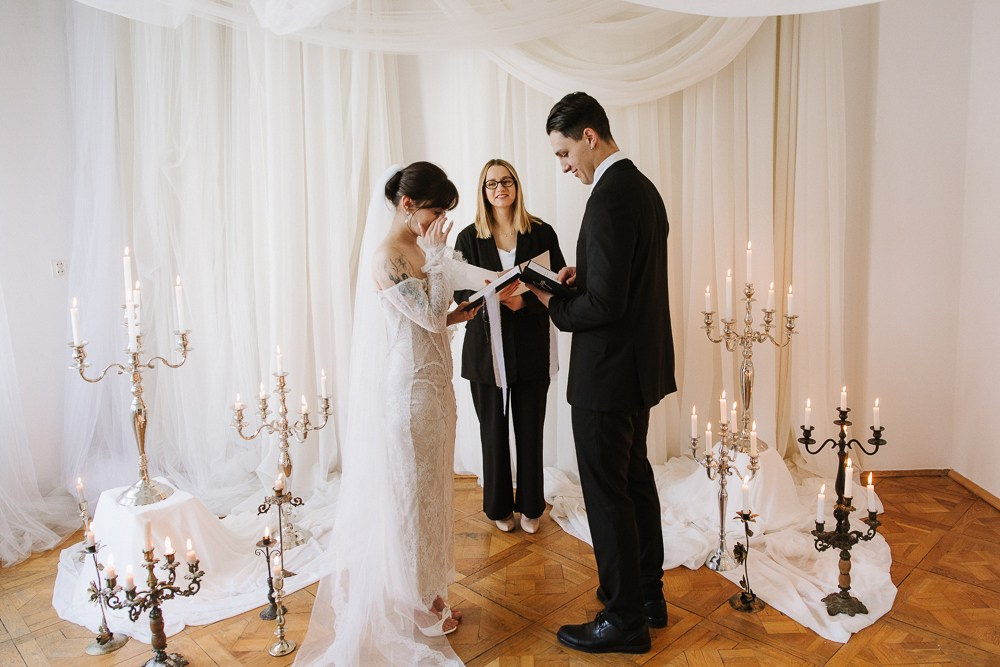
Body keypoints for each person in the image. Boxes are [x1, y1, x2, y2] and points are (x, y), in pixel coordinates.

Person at [295, 162, 479, 666]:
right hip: (409, 390)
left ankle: (429, 587)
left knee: (435, 489)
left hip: (436, 383)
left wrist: (458, 313)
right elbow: (422, 314)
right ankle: (413, 597)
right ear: (408, 205)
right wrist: (440, 260)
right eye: (436, 211)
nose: (439, 221)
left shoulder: (421, 251)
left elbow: (433, 315)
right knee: (411, 496)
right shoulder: (388, 257)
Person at [526, 92, 676, 654]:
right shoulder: (641, 188)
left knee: (608, 494)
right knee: (634, 482)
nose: (564, 167)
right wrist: (577, 275)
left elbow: (606, 306)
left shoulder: (610, 198)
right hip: (636, 369)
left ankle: (623, 621)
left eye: (565, 153)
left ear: (590, 136)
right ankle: (647, 597)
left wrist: (551, 301)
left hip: (607, 375)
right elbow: (624, 284)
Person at [454, 159, 565, 535]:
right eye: (491, 184)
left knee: (530, 429)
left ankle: (532, 505)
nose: (499, 188)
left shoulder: (541, 232)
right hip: (485, 352)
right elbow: (457, 289)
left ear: (517, 187)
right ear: (482, 192)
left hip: (531, 345)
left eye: (506, 181)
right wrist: (492, 297)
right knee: (493, 433)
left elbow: (558, 283)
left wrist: (525, 301)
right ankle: (498, 506)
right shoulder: (469, 238)